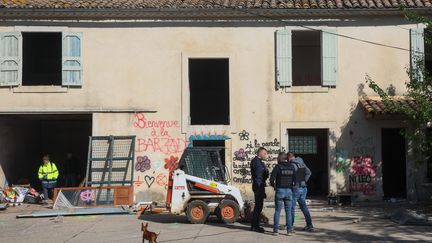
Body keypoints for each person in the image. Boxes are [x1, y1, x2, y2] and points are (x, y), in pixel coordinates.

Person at [270, 152, 296, 236]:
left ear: (279, 159)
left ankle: (275, 231)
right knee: (288, 211)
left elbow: (271, 179)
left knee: (277, 211)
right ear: (286, 159)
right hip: (289, 191)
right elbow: (295, 181)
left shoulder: (277, 167)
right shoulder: (292, 167)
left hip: (280, 190)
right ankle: (289, 230)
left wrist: (274, 187)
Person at [288, 152, 314, 232]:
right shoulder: (302, 163)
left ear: (289, 158)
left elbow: (290, 177)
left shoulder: (292, 165)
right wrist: (303, 181)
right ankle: (310, 225)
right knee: (304, 207)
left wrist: (294, 183)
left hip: (296, 188)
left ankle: (290, 226)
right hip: (303, 188)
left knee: (291, 208)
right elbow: (309, 173)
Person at [250, 147, 269, 233]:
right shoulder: (257, 162)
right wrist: (259, 189)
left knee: (259, 207)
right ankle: (255, 226)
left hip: (260, 186)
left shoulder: (259, 162)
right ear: (259, 153)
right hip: (258, 186)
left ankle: (255, 225)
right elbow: (258, 177)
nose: (266, 155)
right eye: (264, 153)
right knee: (258, 207)